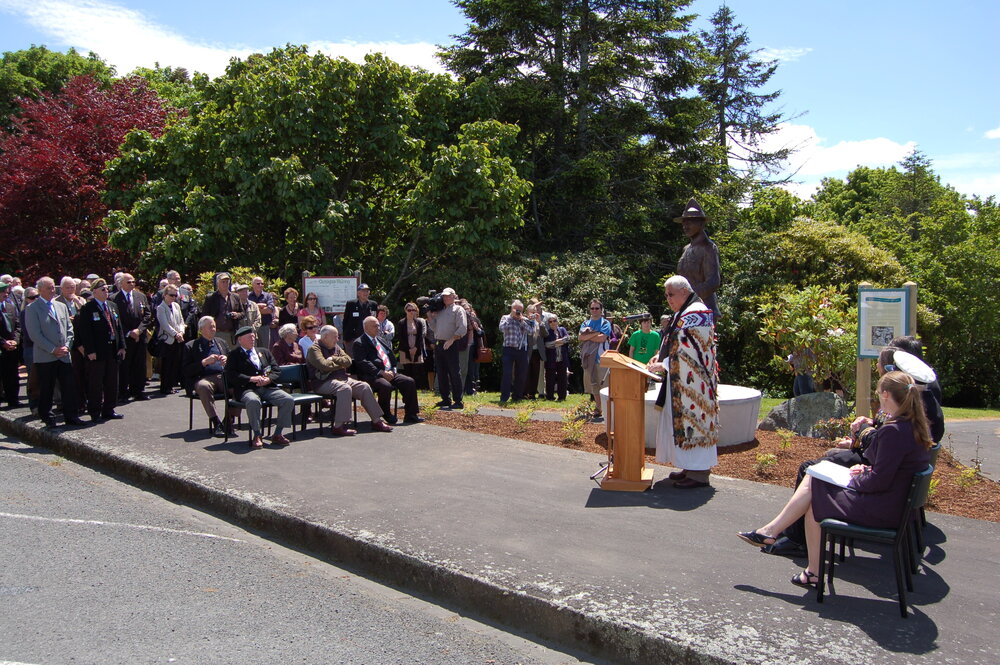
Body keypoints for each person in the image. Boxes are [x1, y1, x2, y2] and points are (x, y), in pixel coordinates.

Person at [737, 371, 933, 588]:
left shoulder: (894, 431)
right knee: (814, 484)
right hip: (897, 504)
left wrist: (856, 476)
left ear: (886, 395)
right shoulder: (914, 425)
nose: (878, 401)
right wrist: (866, 469)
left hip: (884, 508)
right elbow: (891, 470)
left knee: (814, 491)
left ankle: (781, 541)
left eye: (878, 395)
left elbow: (879, 481)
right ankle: (784, 544)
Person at [647, 276, 719, 489]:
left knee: (695, 421)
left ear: (684, 292)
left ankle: (699, 473)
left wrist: (665, 364)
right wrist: (660, 358)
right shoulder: (684, 311)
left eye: (671, 294)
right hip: (682, 382)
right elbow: (674, 342)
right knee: (683, 424)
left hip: (695, 385)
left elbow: (693, 351)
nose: (668, 299)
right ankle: (690, 467)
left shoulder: (697, 312)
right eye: (666, 295)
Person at [306, 325, 393, 435]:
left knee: (364, 386)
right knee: (344, 388)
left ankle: (377, 421)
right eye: (335, 337)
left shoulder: (336, 347)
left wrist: (333, 359)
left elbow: (348, 361)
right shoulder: (314, 349)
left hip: (342, 378)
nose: (337, 339)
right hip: (322, 382)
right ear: (325, 337)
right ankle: (339, 426)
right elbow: (323, 365)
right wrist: (339, 364)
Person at [24, 277, 84, 427]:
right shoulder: (32, 308)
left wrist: (67, 346)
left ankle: (71, 416)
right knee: (47, 387)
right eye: (49, 288)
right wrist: (52, 349)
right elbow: (35, 334)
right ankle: (47, 417)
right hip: (46, 356)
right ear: (40, 290)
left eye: (53, 287)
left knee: (69, 386)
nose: (53, 290)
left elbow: (69, 329)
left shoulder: (60, 306)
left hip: (64, 355)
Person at [224, 326, 295, 449]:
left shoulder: (264, 352)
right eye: (249, 337)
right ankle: (257, 434)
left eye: (253, 336)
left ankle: (278, 433)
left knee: (287, 400)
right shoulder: (234, 355)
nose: (252, 339)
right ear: (240, 339)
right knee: (253, 401)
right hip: (247, 388)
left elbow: (275, 369)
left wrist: (268, 379)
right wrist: (251, 378)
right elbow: (231, 374)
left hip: (267, 387)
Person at [353, 316, 423, 424]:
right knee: (385, 386)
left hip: (389, 372)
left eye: (378, 325)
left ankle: (411, 415)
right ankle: (385, 413)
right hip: (372, 375)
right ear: (366, 328)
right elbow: (362, 362)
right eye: (374, 326)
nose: (378, 328)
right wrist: (380, 372)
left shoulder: (380, 340)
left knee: (409, 382)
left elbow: (391, 356)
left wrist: (393, 369)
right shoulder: (359, 343)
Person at [75, 278, 126, 421]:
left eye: (107, 289)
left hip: (112, 350)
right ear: (95, 291)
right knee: (95, 383)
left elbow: (118, 328)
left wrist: (122, 346)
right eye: (103, 289)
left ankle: (109, 409)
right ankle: (95, 411)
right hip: (97, 352)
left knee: (112, 382)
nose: (106, 291)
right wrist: (89, 351)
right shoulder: (88, 308)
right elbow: (85, 332)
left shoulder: (112, 306)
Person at [182, 316, 233, 438]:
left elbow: (233, 362)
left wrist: (227, 360)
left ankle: (228, 420)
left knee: (239, 385)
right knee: (203, 386)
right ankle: (216, 422)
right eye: (210, 327)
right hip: (203, 378)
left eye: (214, 326)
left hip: (222, 376)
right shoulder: (191, 346)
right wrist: (204, 362)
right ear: (201, 329)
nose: (214, 329)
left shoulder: (221, 343)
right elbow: (186, 370)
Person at [674, 198, 722, 322]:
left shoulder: (709, 247)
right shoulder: (686, 249)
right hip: (686, 310)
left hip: (704, 310)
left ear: (701, 224)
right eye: (684, 223)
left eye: (689, 222)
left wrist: (690, 298)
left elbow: (713, 282)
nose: (685, 226)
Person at [113, 273, 153, 401]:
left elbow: (147, 315)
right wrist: (129, 332)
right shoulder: (114, 299)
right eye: (128, 282)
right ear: (121, 283)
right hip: (125, 338)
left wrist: (139, 330)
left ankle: (138, 391)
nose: (132, 284)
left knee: (140, 364)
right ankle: (123, 392)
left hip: (139, 337)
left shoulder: (140, 296)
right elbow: (115, 320)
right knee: (125, 365)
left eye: (133, 281)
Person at [428, 287, 467, 410]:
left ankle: (458, 400)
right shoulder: (440, 310)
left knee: (454, 372)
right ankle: (445, 399)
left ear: (454, 296)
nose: (445, 298)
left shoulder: (458, 309)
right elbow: (435, 328)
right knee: (441, 372)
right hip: (440, 343)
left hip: (451, 342)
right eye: (444, 296)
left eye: (448, 296)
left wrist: (452, 340)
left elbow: (462, 328)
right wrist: (430, 316)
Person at [579, 299, 612, 420]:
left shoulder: (605, 323)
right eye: (592, 308)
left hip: (601, 358)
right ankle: (598, 408)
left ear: (601, 309)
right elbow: (580, 337)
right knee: (593, 385)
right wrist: (595, 333)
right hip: (588, 359)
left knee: (605, 385)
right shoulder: (585, 323)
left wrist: (588, 336)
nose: (594, 310)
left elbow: (602, 338)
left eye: (597, 308)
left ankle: (608, 409)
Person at [498, 299, 535, 405]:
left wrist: (521, 320)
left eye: (520, 310)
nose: (518, 312)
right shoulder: (505, 318)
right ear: (512, 309)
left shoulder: (524, 320)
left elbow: (531, 332)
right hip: (508, 349)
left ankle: (517, 396)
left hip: (521, 349)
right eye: (516, 309)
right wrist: (511, 317)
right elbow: (502, 328)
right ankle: (504, 397)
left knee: (521, 374)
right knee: (507, 373)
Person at [155, 284, 187, 394]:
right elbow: (164, 324)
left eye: (175, 295)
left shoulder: (176, 306)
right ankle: (164, 387)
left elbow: (181, 321)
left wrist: (181, 331)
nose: (173, 297)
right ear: (165, 295)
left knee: (175, 363)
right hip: (168, 339)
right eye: (171, 295)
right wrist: (175, 334)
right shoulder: (161, 307)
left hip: (178, 338)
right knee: (166, 364)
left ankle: (170, 385)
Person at [201, 272, 243, 347]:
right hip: (217, 333)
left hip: (232, 334)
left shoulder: (235, 297)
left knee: (232, 357)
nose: (225, 284)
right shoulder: (211, 298)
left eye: (227, 282)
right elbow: (204, 316)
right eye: (223, 282)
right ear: (218, 283)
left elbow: (242, 313)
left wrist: (237, 315)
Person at [396, 302, 427, 389]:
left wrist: (415, 348)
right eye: (409, 310)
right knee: (407, 370)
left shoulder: (419, 322)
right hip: (405, 348)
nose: (411, 312)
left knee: (416, 370)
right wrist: (408, 349)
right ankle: (407, 388)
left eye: (413, 310)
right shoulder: (401, 323)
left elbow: (420, 337)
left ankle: (415, 388)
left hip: (416, 348)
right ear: (406, 311)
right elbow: (401, 337)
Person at [0, 282, 20, 408]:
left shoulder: (10, 307)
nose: (6, 294)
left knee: (12, 375)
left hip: (12, 348)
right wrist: (3, 343)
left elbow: (18, 326)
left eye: (7, 292)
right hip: (1, 347)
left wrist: (15, 340)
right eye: (3, 292)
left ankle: (13, 400)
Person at [343, 283, 378, 352]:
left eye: (367, 291)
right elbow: (345, 321)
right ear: (358, 293)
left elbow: (376, 320)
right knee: (353, 359)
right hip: (352, 337)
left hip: (368, 337)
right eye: (363, 291)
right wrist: (345, 338)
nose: (365, 293)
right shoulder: (351, 304)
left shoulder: (373, 304)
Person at [543, 315, 570, 401]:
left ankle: (562, 396)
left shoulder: (562, 329)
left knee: (562, 378)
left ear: (557, 321)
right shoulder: (547, 332)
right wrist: (557, 342)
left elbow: (567, 339)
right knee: (550, 378)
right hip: (551, 359)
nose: (552, 323)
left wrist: (554, 343)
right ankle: (550, 396)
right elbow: (547, 345)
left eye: (554, 321)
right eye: (550, 322)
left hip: (562, 358)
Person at [248, 276, 277, 350]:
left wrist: (254, 308)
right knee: (252, 349)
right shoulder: (248, 296)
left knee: (264, 350)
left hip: (264, 327)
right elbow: (246, 310)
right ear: (253, 285)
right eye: (258, 283)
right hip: (252, 327)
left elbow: (270, 310)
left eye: (262, 283)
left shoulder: (268, 296)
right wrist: (260, 306)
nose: (260, 285)